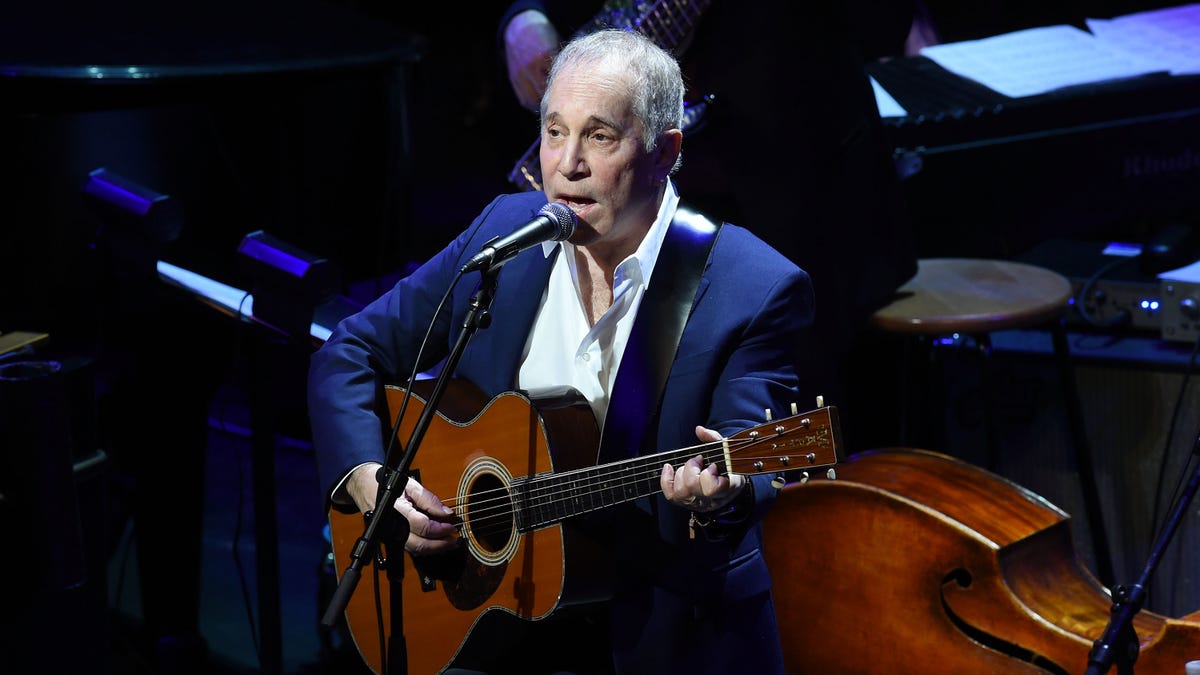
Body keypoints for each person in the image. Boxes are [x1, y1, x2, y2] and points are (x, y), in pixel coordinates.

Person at [308, 28, 813, 675]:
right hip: (489, 619)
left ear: (665, 152)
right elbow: (350, 350)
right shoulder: (503, 234)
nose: (565, 163)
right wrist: (369, 478)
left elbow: (750, 445)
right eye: (553, 131)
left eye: (599, 136)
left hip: (663, 633)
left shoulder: (750, 284)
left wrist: (726, 492)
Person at [498, 0, 919, 452]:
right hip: (643, 188)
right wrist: (522, 15)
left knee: (825, 425)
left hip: (805, 185)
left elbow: (884, 26)